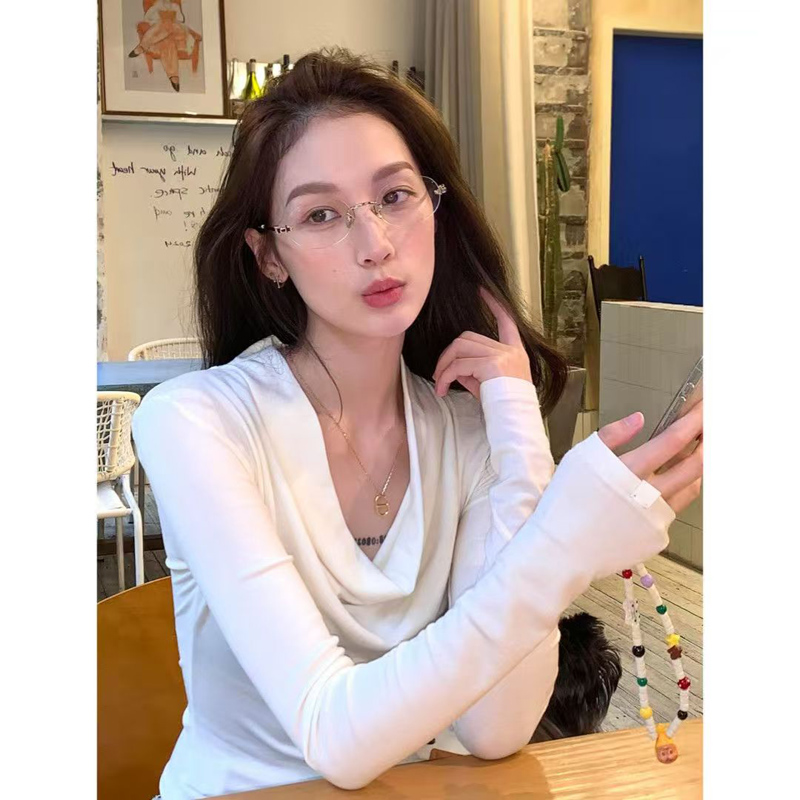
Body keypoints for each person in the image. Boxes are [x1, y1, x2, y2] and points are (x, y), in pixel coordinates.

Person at [132, 47, 703, 800]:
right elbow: (333, 736)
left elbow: (497, 727)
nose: (375, 245)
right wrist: (564, 544)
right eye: (321, 214)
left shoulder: (464, 430)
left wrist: (519, 437)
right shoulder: (196, 423)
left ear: (435, 208)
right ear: (269, 255)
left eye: (395, 196)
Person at [128, 0, 198, 92]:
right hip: (163, 36)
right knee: (167, 42)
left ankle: (142, 46)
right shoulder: (157, 5)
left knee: (167, 24)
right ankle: (173, 75)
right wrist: (159, 19)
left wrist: (170, 19)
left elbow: (181, 20)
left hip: (178, 33)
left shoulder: (175, 6)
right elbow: (147, 18)